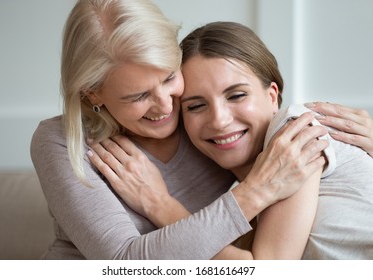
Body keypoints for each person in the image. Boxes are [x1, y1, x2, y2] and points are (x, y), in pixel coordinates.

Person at [30, 0, 328, 259]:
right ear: (92, 93)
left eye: (170, 77)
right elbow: (121, 262)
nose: (166, 106)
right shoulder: (61, 141)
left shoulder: (205, 124)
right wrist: (254, 193)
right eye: (138, 96)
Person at [89, 22, 373, 259]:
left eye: (237, 95)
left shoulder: (295, 128)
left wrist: (159, 204)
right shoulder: (255, 204)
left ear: (272, 96)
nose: (219, 120)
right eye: (196, 106)